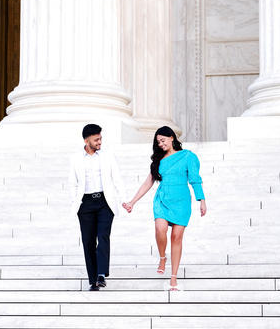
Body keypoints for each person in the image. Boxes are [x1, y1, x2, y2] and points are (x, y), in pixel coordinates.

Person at [122, 126, 207, 291]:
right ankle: (162, 257)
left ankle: (173, 278)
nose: (160, 144)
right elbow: (148, 182)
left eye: (163, 140)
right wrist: (132, 201)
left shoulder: (188, 156)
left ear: (172, 137)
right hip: (162, 200)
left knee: (176, 237)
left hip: (181, 202)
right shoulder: (159, 161)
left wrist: (201, 200)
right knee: (160, 229)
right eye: (158, 142)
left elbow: (195, 179)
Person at [69, 123, 128, 291]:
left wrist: (123, 199)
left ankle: (101, 273)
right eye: (96, 139)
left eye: (101, 138)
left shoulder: (107, 156)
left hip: (104, 202)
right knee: (88, 242)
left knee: (103, 236)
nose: (100, 142)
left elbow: (117, 178)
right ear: (86, 140)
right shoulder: (75, 159)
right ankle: (92, 281)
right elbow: (72, 183)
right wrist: (76, 203)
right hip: (85, 204)